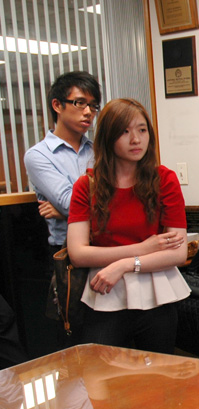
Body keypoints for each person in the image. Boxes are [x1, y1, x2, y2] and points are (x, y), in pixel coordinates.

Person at [66, 98, 190, 353]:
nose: (136, 139)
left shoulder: (164, 179)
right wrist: (144, 248)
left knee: (159, 382)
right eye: (125, 131)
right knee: (101, 380)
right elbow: (78, 254)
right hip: (103, 293)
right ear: (108, 138)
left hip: (157, 294)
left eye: (142, 130)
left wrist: (124, 265)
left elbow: (177, 253)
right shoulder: (86, 185)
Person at [24, 71, 102, 252]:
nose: (88, 112)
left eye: (93, 105)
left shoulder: (98, 151)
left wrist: (63, 213)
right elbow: (69, 202)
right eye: (80, 103)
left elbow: (121, 201)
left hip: (106, 242)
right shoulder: (39, 155)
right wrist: (69, 209)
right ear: (57, 105)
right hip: (66, 251)